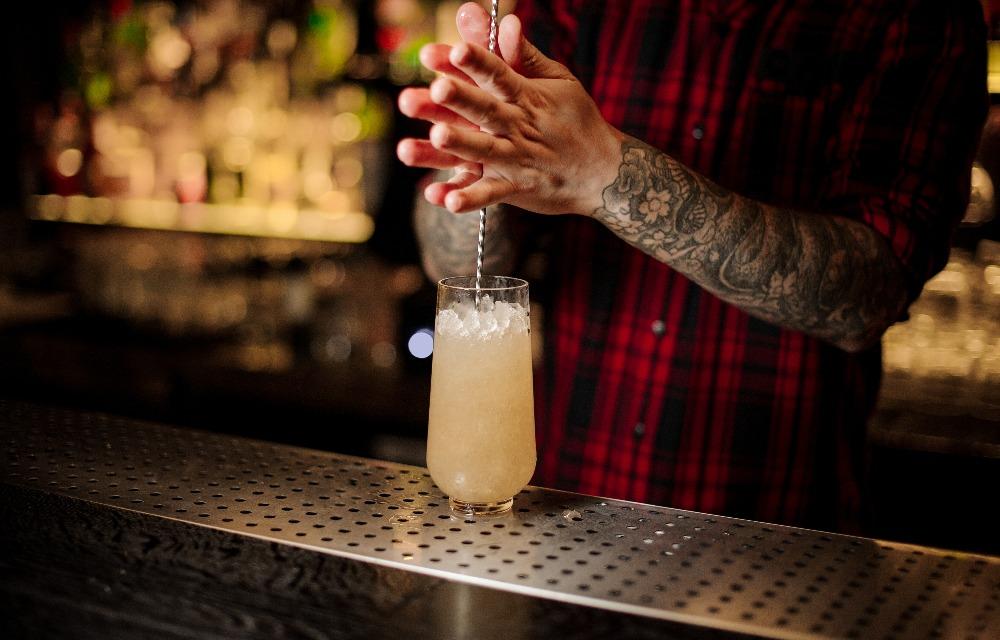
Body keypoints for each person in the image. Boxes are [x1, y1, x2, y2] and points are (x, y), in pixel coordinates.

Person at [397, 0, 987, 533]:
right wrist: (483, 165)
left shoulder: (911, 15)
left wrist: (609, 174)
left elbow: (868, 294)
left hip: (774, 536)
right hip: (561, 513)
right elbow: (449, 259)